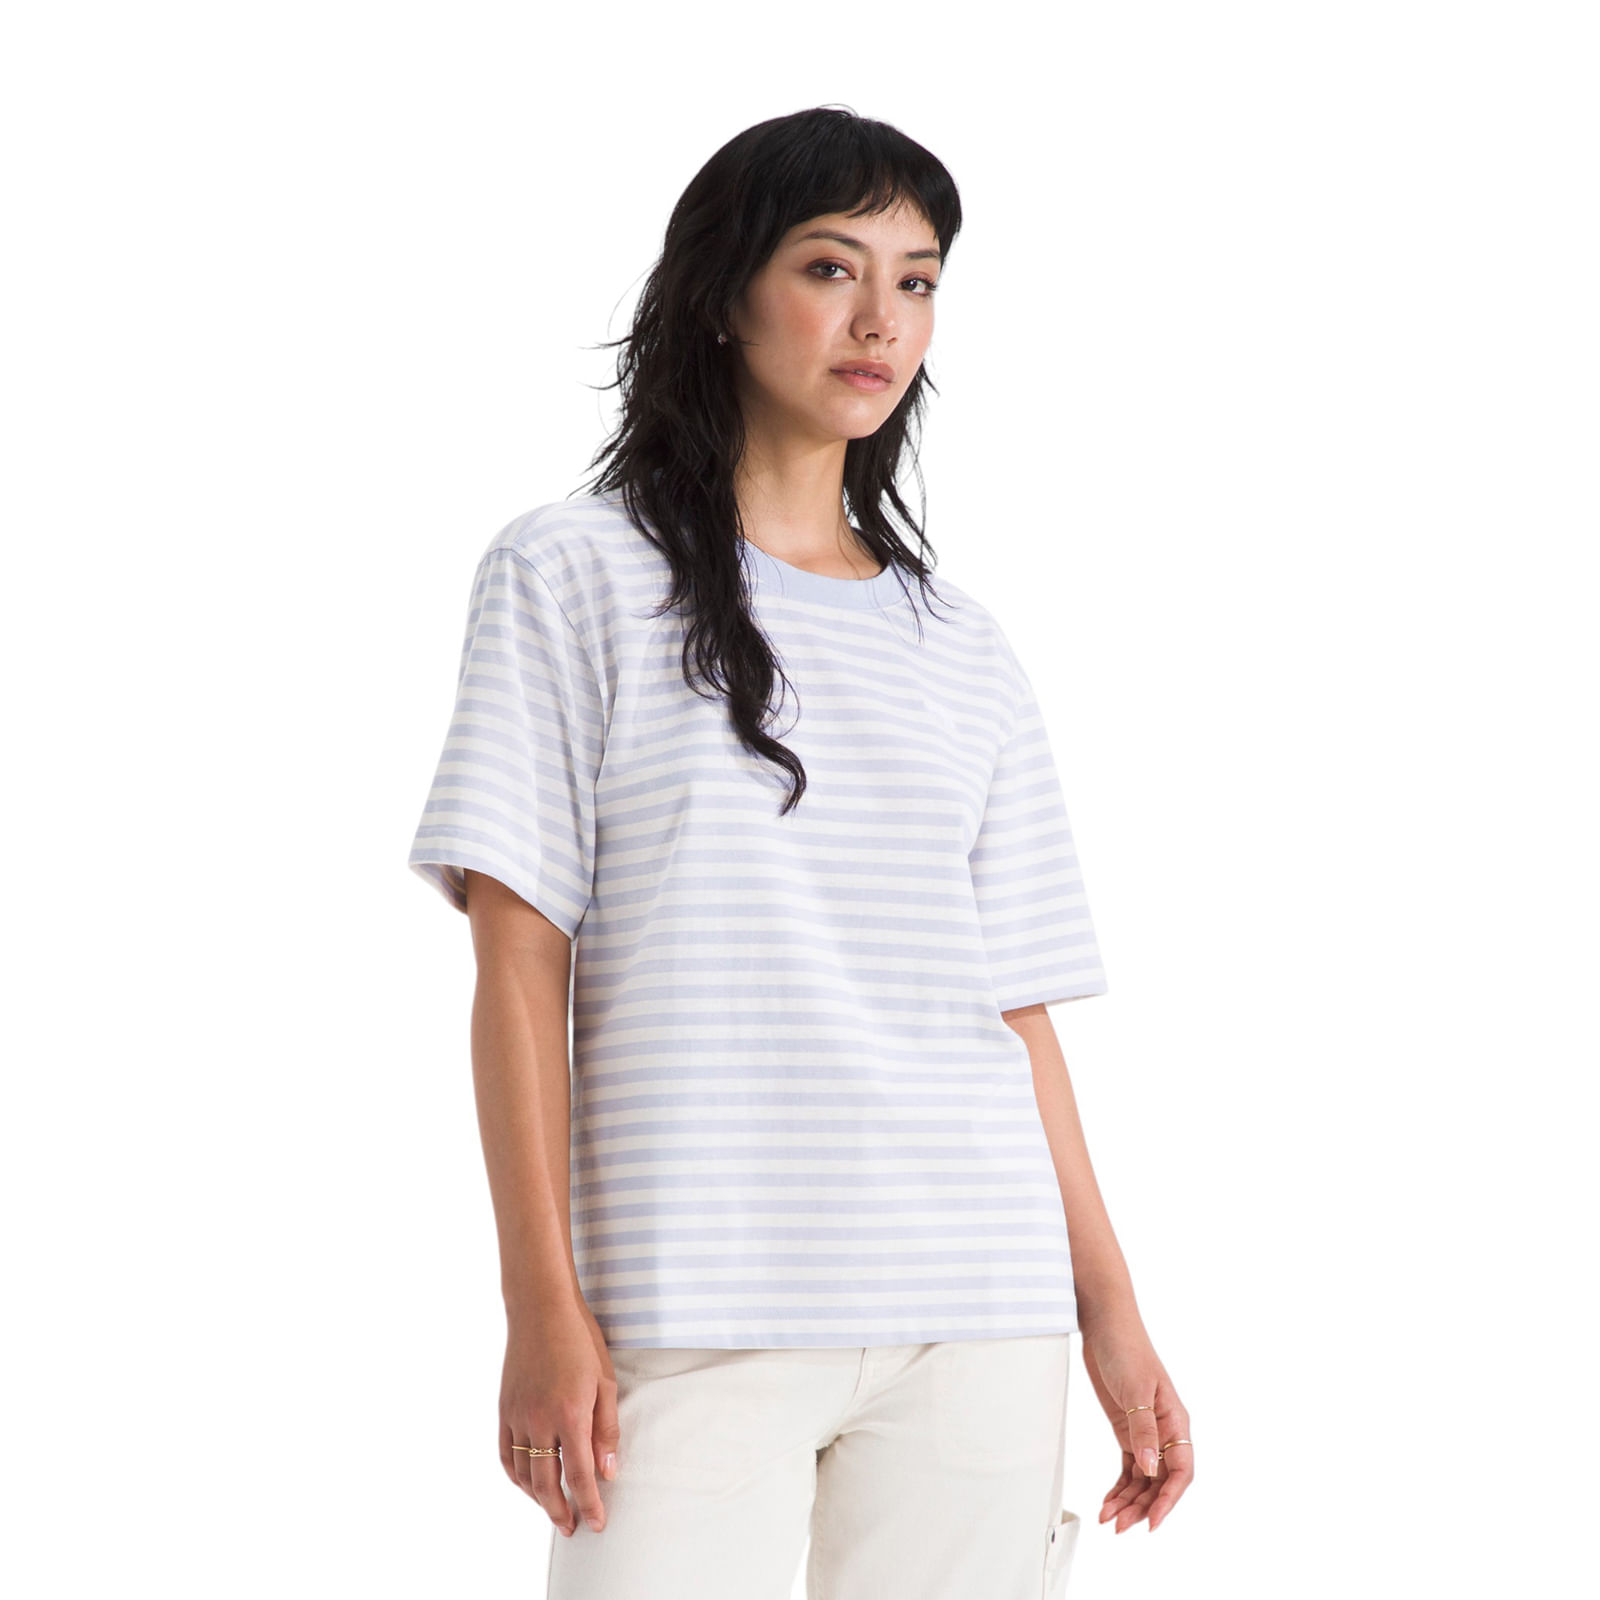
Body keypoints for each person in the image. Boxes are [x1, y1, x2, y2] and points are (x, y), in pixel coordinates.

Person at [406, 106, 1193, 1599]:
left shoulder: (960, 645)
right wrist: (539, 1304)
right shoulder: (570, 572)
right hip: (690, 1304)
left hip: (977, 1305)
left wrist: (1113, 1311)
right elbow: (518, 965)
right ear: (723, 293)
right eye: (832, 268)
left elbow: (1016, 1014)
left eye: (918, 280)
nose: (880, 319)